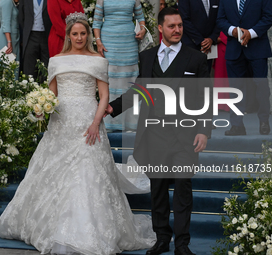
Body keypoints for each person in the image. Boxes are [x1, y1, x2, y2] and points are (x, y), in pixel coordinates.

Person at [0, 13, 156, 254]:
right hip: (61, 123)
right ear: (68, 36)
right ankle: (51, 227)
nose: (79, 37)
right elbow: (52, 95)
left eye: (83, 33)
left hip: (89, 121)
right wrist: (41, 109)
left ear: (88, 35)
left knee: (88, 173)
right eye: (75, 33)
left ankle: (88, 231)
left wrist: (95, 122)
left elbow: (104, 97)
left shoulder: (98, 61)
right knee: (54, 172)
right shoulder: (56, 60)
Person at [105, 8, 212, 255]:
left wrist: (204, 131)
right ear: (160, 28)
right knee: (159, 190)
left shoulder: (195, 58)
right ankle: (162, 238)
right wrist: (112, 107)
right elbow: (140, 91)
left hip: (185, 136)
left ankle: (182, 244)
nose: (177, 30)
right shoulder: (148, 57)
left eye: (180, 25)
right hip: (154, 135)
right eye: (172, 26)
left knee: (183, 188)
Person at [217, 0, 272, 135]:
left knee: (261, 85)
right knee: (235, 89)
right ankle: (237, 126)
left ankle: (264, 121)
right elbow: (220, 19)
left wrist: (250, 33)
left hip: (258, 48)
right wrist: (233, 31)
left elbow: (268, 17)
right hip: (234, 49)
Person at [93, 0, 146, 131]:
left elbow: (141, 17)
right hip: (109, 43)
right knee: (110, 80)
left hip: (129, 42)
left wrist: (143, 29)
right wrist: (98, 42)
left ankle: (132, 123)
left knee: (130, 80)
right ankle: (109, 123)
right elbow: (97, 21)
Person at [179, 0, 220, 72]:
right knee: (190, 77)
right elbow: (184, 20)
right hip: (191, 44)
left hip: (209, 46)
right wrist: (200, 40)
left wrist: (212, 38)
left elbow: (219, 19)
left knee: (205, 75)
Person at [19, 0, 51, 79]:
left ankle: (45, 89)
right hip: (31, 35)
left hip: (46, 35)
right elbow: (21, 17)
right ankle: (29, 88)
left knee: (46, 66)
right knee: (29, 66)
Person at [0, 0, 19, 79]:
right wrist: (9, 42)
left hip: (12, 39)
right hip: (5, 40)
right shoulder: (6, 1)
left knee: (12, 71)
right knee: (5, 72)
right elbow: (6, 23)